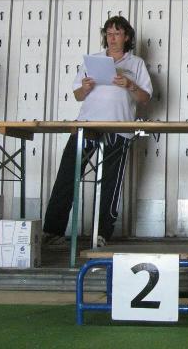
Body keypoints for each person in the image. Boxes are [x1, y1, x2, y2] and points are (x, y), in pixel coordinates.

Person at [42, 16, 151, 247]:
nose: (112, 38)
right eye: (109, 33)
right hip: (87, 124)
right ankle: (52, 231)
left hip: (119, 128)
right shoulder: (93, 60)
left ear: (127, 37)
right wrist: (85, 87)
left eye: (117, 33)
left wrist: (129, 85)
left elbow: (145, 98)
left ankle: (101, 233)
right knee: (67, 175)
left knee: (111, 182)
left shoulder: (136, 64)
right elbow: (77, 95)